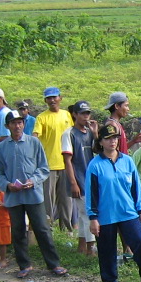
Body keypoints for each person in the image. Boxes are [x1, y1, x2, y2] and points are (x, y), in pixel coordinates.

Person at [0, 110, 68, 278]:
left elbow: (43, 168)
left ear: (24, 124)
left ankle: (53, 264)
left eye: (20, 122)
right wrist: (8, 185)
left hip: (34, 194)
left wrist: (33, 180)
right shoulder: (3, 147)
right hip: (13, 196)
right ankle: (24, 265)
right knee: (18, 231)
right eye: (13, 123)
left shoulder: (34, 143)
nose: (17, 126)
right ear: (7, 126)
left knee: (42, 229)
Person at [87, 122, 141, 282]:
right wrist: (93, 217)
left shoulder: (127, 161)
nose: (112, 142)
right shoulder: (95, 165)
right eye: (108, 139)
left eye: (115, 138)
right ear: (101, 142)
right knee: (107, 249)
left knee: (139, 242)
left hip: (128, 212)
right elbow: (92, 194)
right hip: (106, 215)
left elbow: (136, 188)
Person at [34, 86, 75, 230]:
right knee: (48, 200)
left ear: (60, 98)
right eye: (49, 98)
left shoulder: (67, 115)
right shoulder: (42, 117)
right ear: (45, 100)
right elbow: (35, 137)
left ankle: (67, 228)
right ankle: (48, 227)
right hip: (49, 164)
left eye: (54, 97)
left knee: (66, 200)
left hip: (66, 164)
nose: (52, 100)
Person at [62, 100, 99, 256]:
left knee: (85, 213)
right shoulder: (69, 134)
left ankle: (82, 245)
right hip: (78, 178)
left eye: (87, 113)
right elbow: (67, 160)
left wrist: (96, 134)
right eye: (82, 113)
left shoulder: (89, 132)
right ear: (75, 115)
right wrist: (73, 182)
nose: (86, 116)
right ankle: (90, 247)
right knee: (87, 213)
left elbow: (97, 151)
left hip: (90, 178)